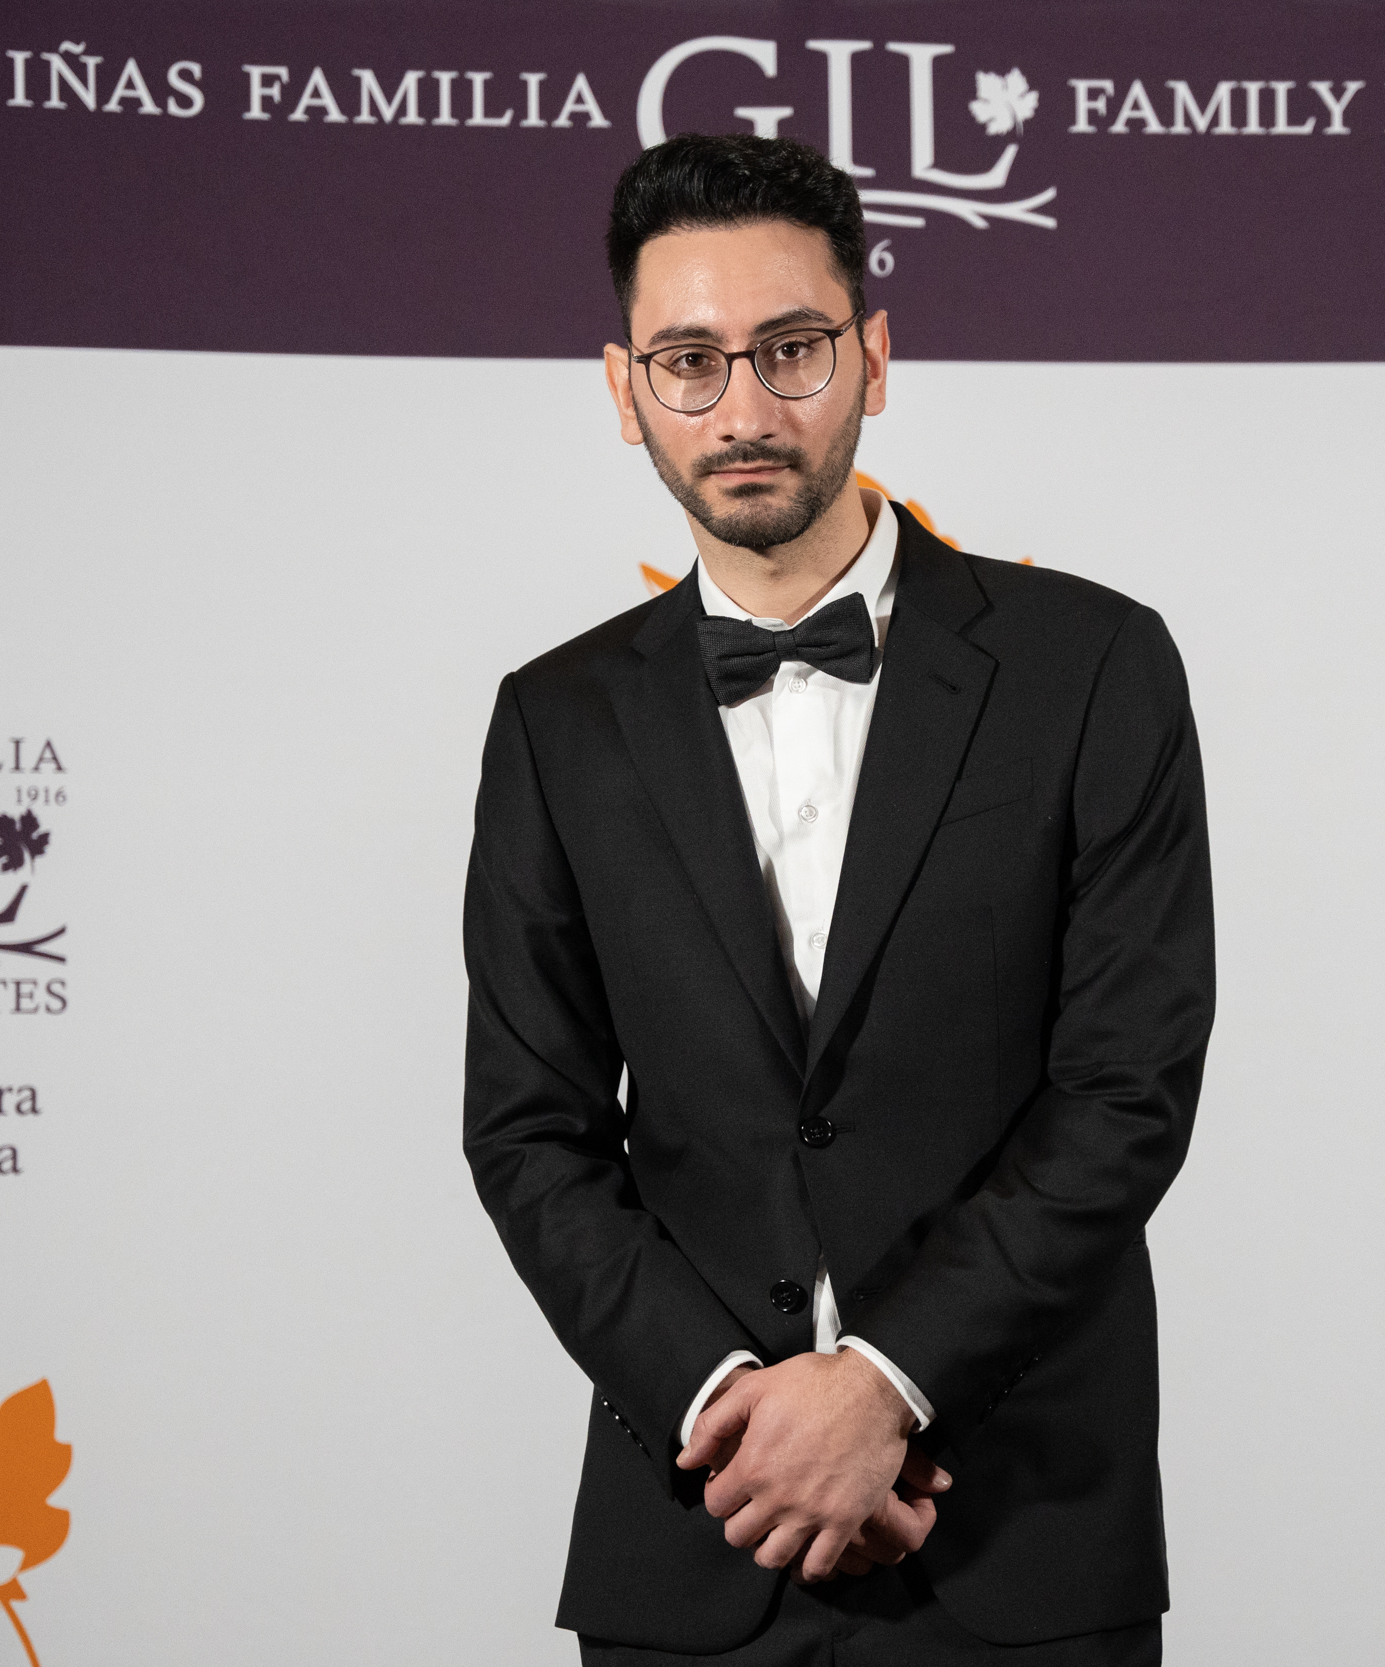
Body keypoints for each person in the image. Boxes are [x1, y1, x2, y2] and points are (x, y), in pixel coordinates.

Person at [462, 133, 1214, 1664]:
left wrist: (885, 1384)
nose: (744, 410)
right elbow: (531, 1134)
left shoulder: (1093, 668)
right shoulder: (555, 723)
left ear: (874, 353)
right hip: (699, 1531)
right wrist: (735, 1415)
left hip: (1018, 1535)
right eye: (689, 362)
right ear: (623, 391)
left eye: (791, 349)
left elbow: (1126, 1090)